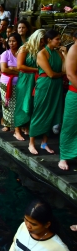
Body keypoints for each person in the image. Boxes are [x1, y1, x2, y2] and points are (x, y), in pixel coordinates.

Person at [28, 29, 66, 154]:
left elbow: (65, 68)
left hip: (57, 86)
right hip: (45, 85)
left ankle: (44, 143)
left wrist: (65, 55)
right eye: (57, 39)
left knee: (52, 112)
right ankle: (31, 143)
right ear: (49, 40)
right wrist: (62, 74)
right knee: (39, 112)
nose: (59, 41)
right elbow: (50, 74)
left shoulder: (59, 53)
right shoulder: (42, 53)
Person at [15, 29, 46, 136]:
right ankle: (17, 129)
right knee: (21, 103)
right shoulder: (25, 48)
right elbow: (20, 66)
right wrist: (37, 70)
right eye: (41, 41)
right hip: (25, 78)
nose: (43, 43)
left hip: (35, 79)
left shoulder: (40, 49)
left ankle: (26, 126)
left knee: (31, 103)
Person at [59, 31, 77, 171]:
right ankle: (64, 156)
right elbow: (70, 74)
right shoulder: (74, 49)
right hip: (74, 92)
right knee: (70, 124)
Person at [0, 33, 23, 138]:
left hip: (20, 84)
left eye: (13, 41)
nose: (11, 43)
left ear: (18, 42)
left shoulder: (22, 54)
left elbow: (23, 68)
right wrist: (17, 70)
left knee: (17, 105)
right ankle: (8, 125)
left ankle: (15, 125)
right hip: (6, 82)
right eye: (9, 41)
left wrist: (12, 69)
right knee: (7, 104)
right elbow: (4, 69)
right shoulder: (5, 54)